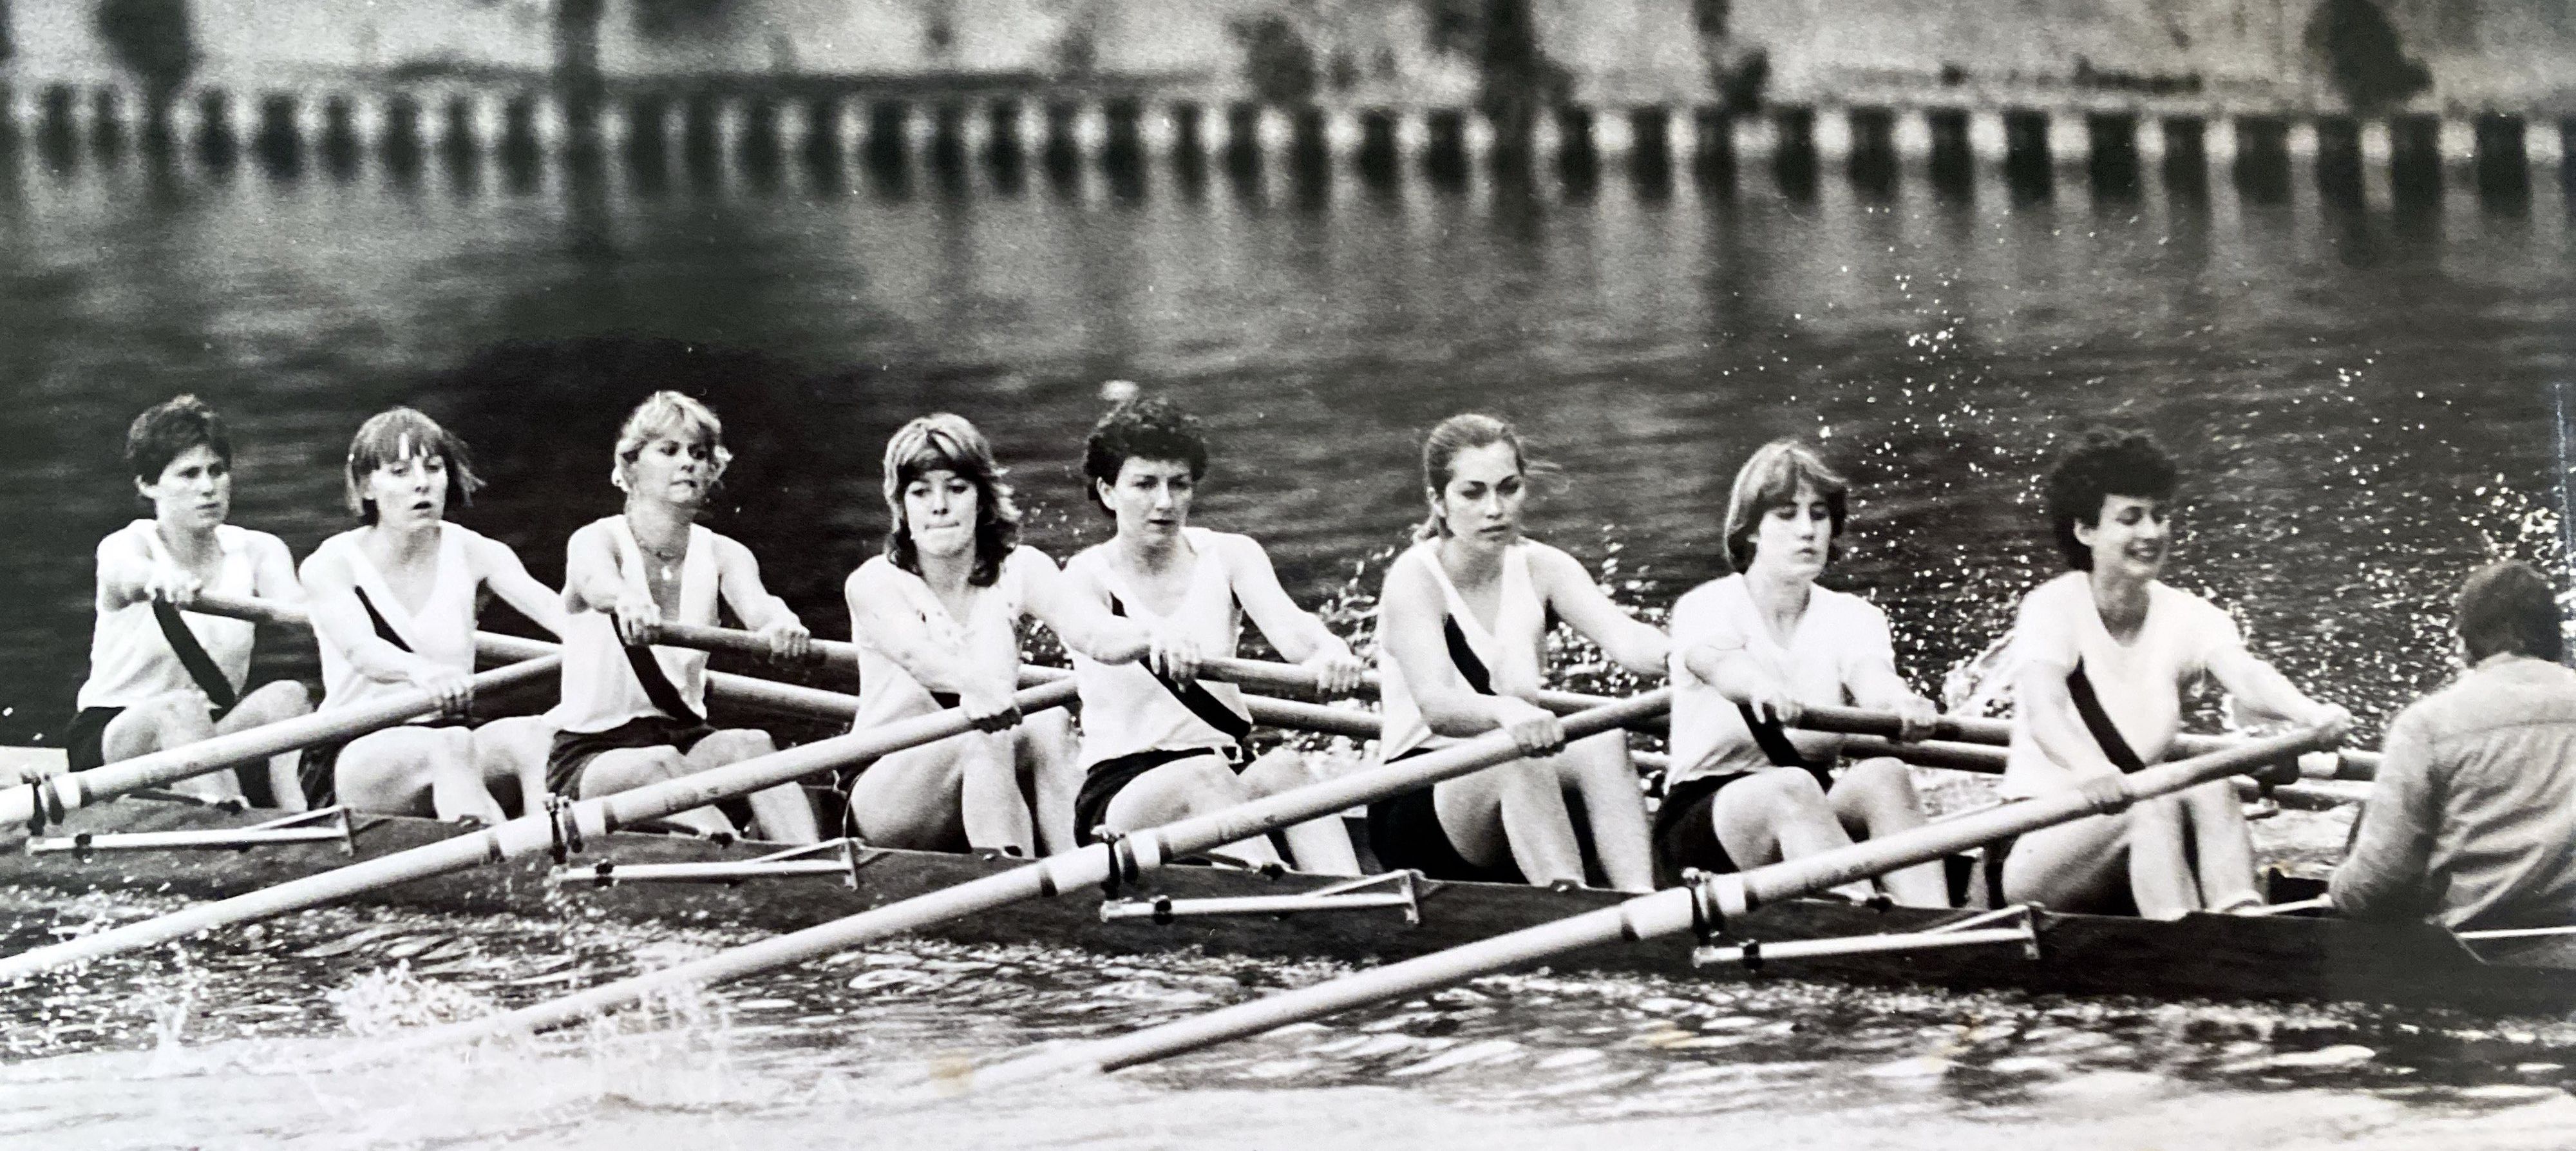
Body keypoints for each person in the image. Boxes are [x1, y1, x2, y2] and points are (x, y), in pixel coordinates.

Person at [2000, 428, 2350, 919]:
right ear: (2085, 531)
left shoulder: (2187, 614)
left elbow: (2248, 676)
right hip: (2042, 842)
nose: (2152, 532)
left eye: (2160, 515)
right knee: (2152, 797)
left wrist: (2310, 714)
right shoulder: (2051, 608)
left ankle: (2240, 920)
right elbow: (2044, 709)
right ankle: (2186, 940)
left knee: (2210, 781)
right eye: (2130, 518)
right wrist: (2090, 771)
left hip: (2138, 821)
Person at [1058, 397, 1365, 873]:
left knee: (1286, 766)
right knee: (1202, 776)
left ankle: (1362, 903)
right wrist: (1152, 637)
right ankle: (1285, 911)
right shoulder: (1085, 575)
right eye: (1144, 484)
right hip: (1123, 790)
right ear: (1107, 490)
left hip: (1228, 766)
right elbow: (1099, 637)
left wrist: (1331, 650)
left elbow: (1293, 630)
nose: (1165, 502)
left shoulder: (1230, 554)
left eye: (1178, 484)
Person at [843, 413, 1170, 858]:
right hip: (885, 792)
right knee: (989, 727)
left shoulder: (1023, 567)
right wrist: (977, 685)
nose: (939, 506)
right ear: (901, 505)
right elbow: (920, 658)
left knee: (1049, 719)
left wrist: (1160, 634)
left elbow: (1094, 633)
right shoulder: (874, 581)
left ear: (982, 498)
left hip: (984, 759)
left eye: (956, 489)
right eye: (921, 492)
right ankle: (1014, 879)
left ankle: (1080, 867)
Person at [1369, 414, 1667, 893]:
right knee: (1516, 754)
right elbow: (1438, 706)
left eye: (1509, 489)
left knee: (1604, 741)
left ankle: (1645, 904)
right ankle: (1575, 912)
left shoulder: (1545, 567)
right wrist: (1507, 710)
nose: (1495, 509)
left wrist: (1689, 657)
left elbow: (1627, 638)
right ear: (1438, 502)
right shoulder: (1414, 578)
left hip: (1516, 773)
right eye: (1473, 492)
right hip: (1418, 799)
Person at [1659, 440, 1947, 905]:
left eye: (1819, 514)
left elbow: (1873, 678)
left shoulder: (1853, 615)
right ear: (1750, 530)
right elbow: (1721, 665)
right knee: (1791, 788)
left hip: (1810, 801)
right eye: (1786, 514)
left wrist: (1901, 703)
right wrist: (1762, 687)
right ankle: (1863, 936)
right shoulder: (1706, 605)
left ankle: (1937, 926)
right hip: (1704, 820)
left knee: (1885, 774)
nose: (1808, 530)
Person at [545, 392, 820, 843]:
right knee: (659, 764)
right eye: (669, 451)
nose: (688, 463)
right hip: (592, 755)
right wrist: (625, 599)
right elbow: (597, 582)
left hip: (685, 738)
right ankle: (744, 867)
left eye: (699, 453)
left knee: (752, 744)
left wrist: (783, 625)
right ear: (631, 466)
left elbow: (761, 608)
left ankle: (817, 870)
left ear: (712, 471)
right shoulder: (597, 540)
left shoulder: (725, 553)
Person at [299, 408, 565, 822]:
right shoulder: (331, 563)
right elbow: (362, 651)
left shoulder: (479, 552)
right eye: (401, 472)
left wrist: (609, 625)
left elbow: (557, 612)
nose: (422, 483)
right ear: (368, 487)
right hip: (357, 749)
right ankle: (500, 866)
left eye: (434, 468)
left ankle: (551, 858)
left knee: (535, 735)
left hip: (450, 730)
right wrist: (422, 671)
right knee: (452, 747)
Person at [66, 396, 312, 807]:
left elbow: (300, 611)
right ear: (148, 486)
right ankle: (234, 834)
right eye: (188, 474)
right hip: (115, 737)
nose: (207, 487)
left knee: (288, 695)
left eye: (217, 472)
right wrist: (160, 580)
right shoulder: (127, 545)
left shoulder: (259, 550)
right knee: (179, 709)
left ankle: (302, 820)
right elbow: (127, 573)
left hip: (209, 732)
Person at [2332, 561, 2576, 931]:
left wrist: (2338, 889)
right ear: (2555, 640)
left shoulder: (2425, 725)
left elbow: (2378, 888)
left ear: (2464, 643)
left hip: (2474, 953)